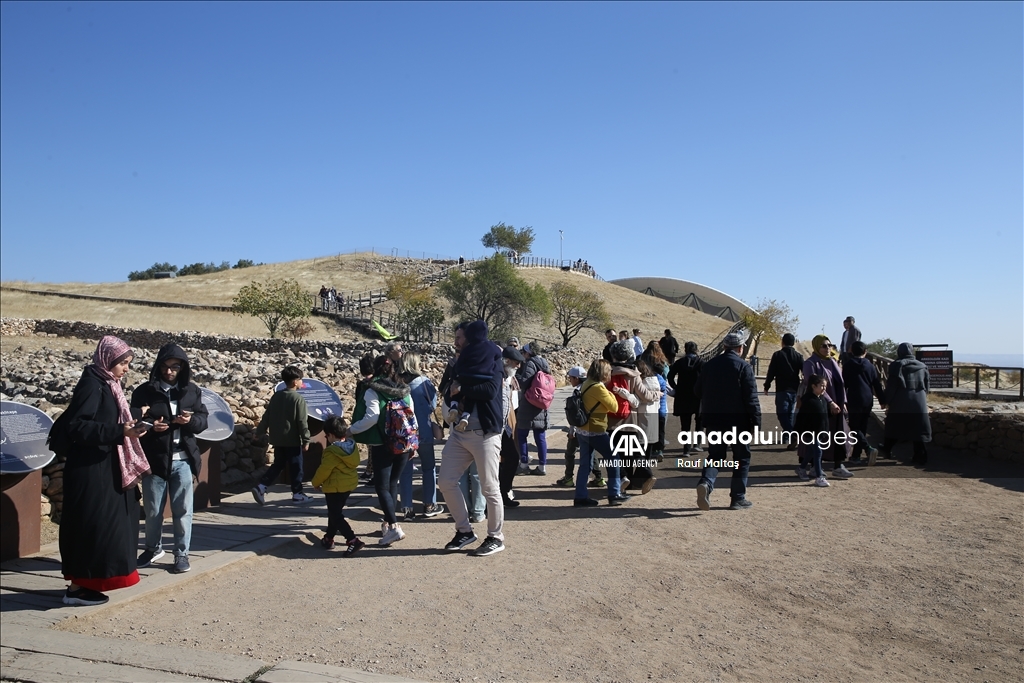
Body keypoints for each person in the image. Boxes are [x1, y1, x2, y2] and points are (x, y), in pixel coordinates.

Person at [59, 335, 152, 606]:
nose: (126, 368)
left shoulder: (109, 384)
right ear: (107, 360)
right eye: (122, 363)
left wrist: (130, 426)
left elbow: (105, 419)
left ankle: (91, 583)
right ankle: (77, 588)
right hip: (91, 470)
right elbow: (77, 426)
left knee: (108, 528)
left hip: (106, 466)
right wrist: (119, 431)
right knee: (92, 527)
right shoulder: (92, 384)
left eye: (127, 363)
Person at [131, 343, 209, 574]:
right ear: (158, 366)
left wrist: (190, 422)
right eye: (165, 366)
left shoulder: (191, 391)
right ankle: (153, 548)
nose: (169, 371)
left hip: (182, 460)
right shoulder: (144, 391)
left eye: (175, 366)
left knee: (183, 510)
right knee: (153, 510)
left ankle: (181, 554)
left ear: (182, 368)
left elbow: (203, 420)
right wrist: (150, 425)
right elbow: (132, 421)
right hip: (154, 459)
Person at [437, 319, 506, 556]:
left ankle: (495, 537)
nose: (455, 342)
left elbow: (489, 392)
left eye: (459, 338)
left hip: (484, 434)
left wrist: (462, 389)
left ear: (471, 339)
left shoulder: (493, 360)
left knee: (489, 488)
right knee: (445, 481)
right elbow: (446, 388)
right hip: (459, 434)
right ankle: (464, 531)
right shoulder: (458, 363)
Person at [350, 355, 413, 546]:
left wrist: (351, 430)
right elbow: (412, 413)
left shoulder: (372, 390)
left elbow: (371, 417)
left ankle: (394, 527)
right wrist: (412, 442)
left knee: (382, 486)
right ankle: (388, 522)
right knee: (392, 484)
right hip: (403, 442)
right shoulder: (403, 389)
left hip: (381, 443)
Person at [694, 332, 760, 511]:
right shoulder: (744, 367)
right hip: (739, 422)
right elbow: (751, 398)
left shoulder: (709, 366)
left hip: (714, 420)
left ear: (724, 347)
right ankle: (737, 498)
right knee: (741, 458)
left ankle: (706, 482)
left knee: (716, 456)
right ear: (741, 348)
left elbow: (697, 391)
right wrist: (756, 422)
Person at [251, 366, 312, 505]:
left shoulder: (277, 396)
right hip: (292, 440)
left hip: (278, 439)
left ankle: (261, 486)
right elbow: (302, 422)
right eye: (300, 379)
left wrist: (259, 432)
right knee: (297, 468)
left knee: (278, 465)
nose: (302, 382)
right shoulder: (298, 399)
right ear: (295, 382)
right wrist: (306, 440)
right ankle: (297, 493)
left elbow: (267, 416)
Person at [797, 335, 854, 480]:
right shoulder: (810, 363)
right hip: (819, 405)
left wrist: (844, 402)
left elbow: (841, 385)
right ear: (816, 346)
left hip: (837, 406)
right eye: (824, 345)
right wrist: (829, 402)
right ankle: (815, 467)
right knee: (818, 437)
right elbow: (813, 386)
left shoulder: (833, 362)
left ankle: (838, 466)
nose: (828, 348)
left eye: (830, 345)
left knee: (839, 434)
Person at [397, 351, 444, 520]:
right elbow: (432, 404)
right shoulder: (424, 383)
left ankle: (407, 507)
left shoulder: (397, 384)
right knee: (428, 467)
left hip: (403, 432)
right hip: (423, 429)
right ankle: (429, 504)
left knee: (405, 470)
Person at [607, 340, 659, 494]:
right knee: (631, 451)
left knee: (614, 452)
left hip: (611, 419)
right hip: (631, 419)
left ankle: (623, 478)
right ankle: (645, 474)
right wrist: (657, 394)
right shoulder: (635, 375)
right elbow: (644, 396)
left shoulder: (607, 374)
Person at [572, 359, 625, 507]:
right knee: (614, 458)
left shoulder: (586, 384)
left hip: (583, 429)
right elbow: (614, 407)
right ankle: (614, 493)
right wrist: (611, 393)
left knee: (585, 465)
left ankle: (580, 496)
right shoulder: (598, 388)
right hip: (596, 429)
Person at [311, 416, 364, 556]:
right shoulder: (352, 446)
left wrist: (315, 482)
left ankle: (352, 540)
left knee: (336, 515)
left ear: (332, 435)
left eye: (327, 435)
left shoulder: (332, 452)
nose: (327, 438)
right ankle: (329, 538)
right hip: (347, 485)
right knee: (334, 513)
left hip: (334, 487)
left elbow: (324, 470)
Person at [881, 342, 932, 466]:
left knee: (894, 425)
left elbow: (892, 385)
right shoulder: (922, 366)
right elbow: (927, 386)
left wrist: (886, 400)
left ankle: (886, 449)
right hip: (919, 400)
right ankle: (920, 456)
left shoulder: (897, 365)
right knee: (919, 429)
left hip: (901, 399)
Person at [842, 341, 886, 465]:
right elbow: (876, 384)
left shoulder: (848, 364)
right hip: (868, 398)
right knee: (862, 427)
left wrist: (842, 400)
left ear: (851, 351)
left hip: (854, 398)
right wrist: (882, 400)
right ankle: (856, 456)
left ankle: (868, 448)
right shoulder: (870, 365)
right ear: (865, 352)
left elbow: (844, 384)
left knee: (854, 428)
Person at [515, 341, 552, 476]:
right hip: (542, 403)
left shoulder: (530, 363)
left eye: (524, 352)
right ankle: (542, 466)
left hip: (529, 402)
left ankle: (524, 463)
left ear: (529, 352)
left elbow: (525, 382)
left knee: (522, 434)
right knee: (540, 436)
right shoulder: (545, 363)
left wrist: (516, 377)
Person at [764, 333, 804, 449]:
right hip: (794, 388)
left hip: (782, 388)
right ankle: (787, 437)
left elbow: (771, 371)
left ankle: (792, 434)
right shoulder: (798, 356)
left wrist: (767, 385)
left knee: (781, 414)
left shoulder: (777, 355)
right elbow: (804, 371)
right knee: (790, 414)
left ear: (783, 342)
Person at [498, 345, 525, 508]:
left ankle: (504, 492)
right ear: (507, 361)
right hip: (495, 426)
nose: (519, 366)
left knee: (512, 458)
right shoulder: (497, 377)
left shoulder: (510, 378)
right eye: (516, 363)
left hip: (508, 424)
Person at [794, 375, 832, 487]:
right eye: (821, 386)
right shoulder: (808, 400)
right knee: (818, 451)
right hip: (810, 431)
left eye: (825, 386)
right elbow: (801, 417)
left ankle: (801, 468)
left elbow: (825, 416)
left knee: (811, 451)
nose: (824, 388)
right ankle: (819, 477)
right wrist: (798, 431)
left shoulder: (823, 399)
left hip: (820, 431)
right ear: (813, 386)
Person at [668, 341, 703, 455]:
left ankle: (686, 449)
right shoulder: (701, 363)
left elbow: (670, 376)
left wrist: (675, 387)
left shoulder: (679, 363)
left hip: (683, 395)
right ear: (696, 350)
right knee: (699, 421)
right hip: (698, 395)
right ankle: (697, 444)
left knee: (685, 424)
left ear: (685, 349)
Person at [556, 366, 587, 487]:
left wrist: (572, 430)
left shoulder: (576, 392)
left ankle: (568, 477)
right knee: (590, 453)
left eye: (571, 378)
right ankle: (599, 478)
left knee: (570, 453)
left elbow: (575, 413)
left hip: (578, 428)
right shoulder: (589, 388)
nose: (570, 380)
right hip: (589, 426)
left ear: (577, 378)